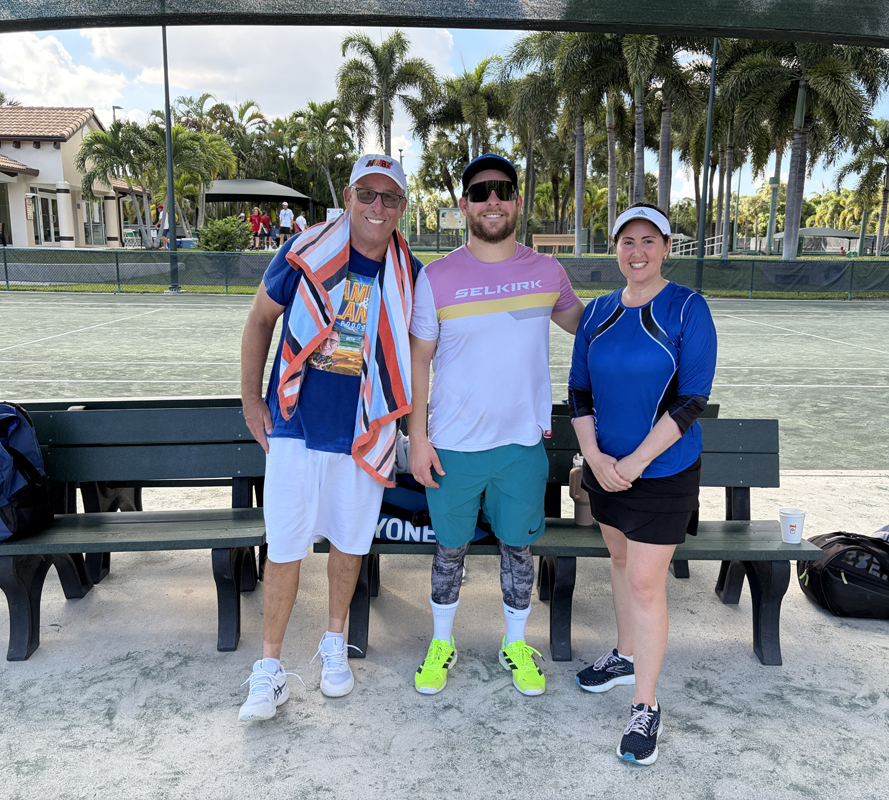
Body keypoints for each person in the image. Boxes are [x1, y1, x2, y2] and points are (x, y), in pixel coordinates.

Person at [237, 154, 419, 722]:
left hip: (363, 431)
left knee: (349, 544)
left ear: (402, 207)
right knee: (285, 547)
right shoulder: (302, 252)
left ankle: (334, 642)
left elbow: (423, 351)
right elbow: (259, 320)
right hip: (295, 425)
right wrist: (251, 400)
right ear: (348, 196)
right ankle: (269, 668)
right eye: (367, 193)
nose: (377, 206)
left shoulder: (410, 273)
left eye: (389, 197)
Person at [408, 154, 584, 697]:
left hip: (520, 448)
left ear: (517, 201)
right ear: (464, 204)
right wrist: (418, 438)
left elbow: (589, 330)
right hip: (453, 447)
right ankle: (442, 643)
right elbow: (418, 361)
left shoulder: (548, 272)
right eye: (481, 191)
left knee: (517, 551)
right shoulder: (435, 277)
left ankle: (516, 645)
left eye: (503, 190)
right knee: (449, 550)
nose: (492, 200)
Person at [567, 203, 717, 765]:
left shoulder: (689, 308)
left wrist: (633, 463)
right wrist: (594, 457)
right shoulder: (598, 312)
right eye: (627, 241)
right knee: (620, 562)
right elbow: (579, 391)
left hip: (663, 472)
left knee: (647, 584)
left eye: (649, 241)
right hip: (606, 470)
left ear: (667, 247)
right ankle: (625, 654)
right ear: (615, 248)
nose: (637, 251)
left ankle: (645, 705)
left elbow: (692, 399)